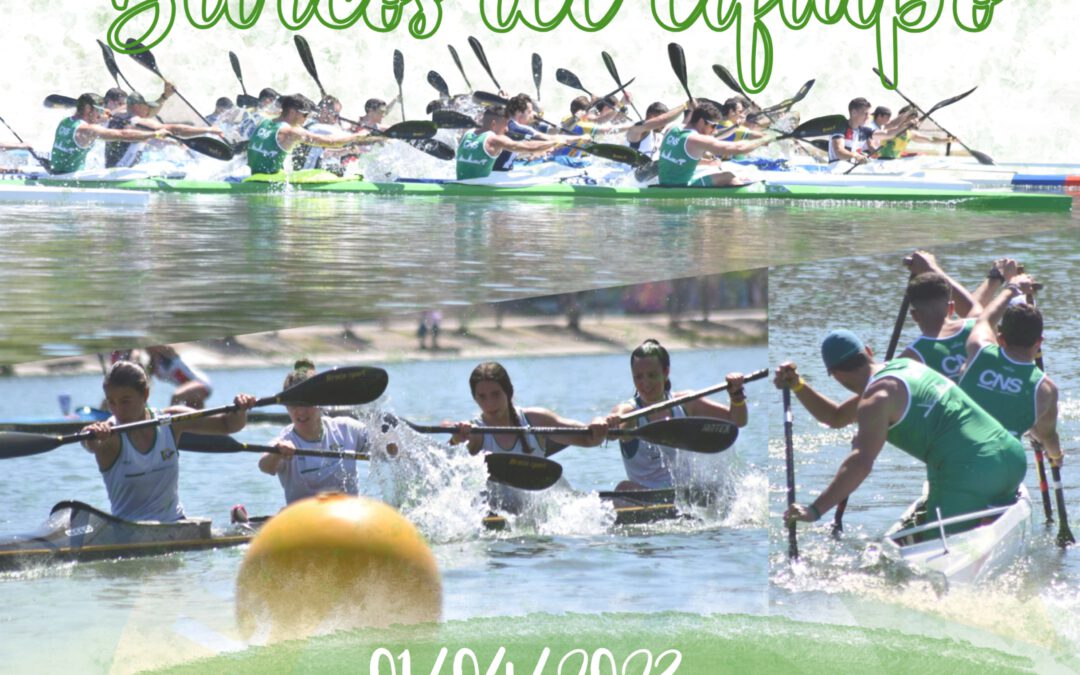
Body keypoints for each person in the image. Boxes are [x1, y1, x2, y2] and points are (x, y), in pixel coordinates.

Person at [781, 330, 1026, 533]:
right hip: (1012, 456)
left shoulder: (875, 401)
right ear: (868, 351)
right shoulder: (907, 365)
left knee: (928, 551)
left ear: (834, 375)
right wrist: (798, 385)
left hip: (970, 473)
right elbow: (835, 417)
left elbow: (861, 463)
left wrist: (815, 510)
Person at [80, 360, 255, 522]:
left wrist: (240, 409)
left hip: (176, 524)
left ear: (145, 394)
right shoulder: (110, 434)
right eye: (111, 402)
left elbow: (228, 425)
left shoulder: (170, 421)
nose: (117, 410)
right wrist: (89, 433)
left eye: (125, 401)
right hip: (128, 531)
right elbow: (91, 445)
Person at [447, 362, 605, 512]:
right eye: (482, 396)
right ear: (475, 398)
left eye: (495, 394)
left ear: (509, 392)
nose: (490, 403)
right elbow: (446, 464)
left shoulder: (536, 419)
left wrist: (597, 424)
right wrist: (456, 440)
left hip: (538, 506)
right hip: (496, 508)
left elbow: (589, 439)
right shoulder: (474, 432)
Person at [594, 339, 748, 490]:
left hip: (685, 494)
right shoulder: (629, 411)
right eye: (638, 377)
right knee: (623, 488)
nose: (645, 383)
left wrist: (736, 395)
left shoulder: (687, 402)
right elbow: (614, 421)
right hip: (645, 495)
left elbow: (737, 420)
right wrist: (605, 424)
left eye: (652, 375)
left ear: (666, 372)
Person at [958, 275, 1062, 465]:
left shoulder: (979, 352)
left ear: (1000, 338)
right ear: (1039, 342)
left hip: (954, 455)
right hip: (1001, 466)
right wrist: (1056, 456)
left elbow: (984, 321)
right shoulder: (1046, 389)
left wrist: (1012, 288)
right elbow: (1047, 436)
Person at [258, 360, 372, 504]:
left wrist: (391, 447)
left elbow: (383, 446)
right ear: (286, 407)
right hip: (308, 521)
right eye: (293, 404)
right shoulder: (285, 441)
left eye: (306, 403)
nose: (300, 411)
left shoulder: (347, 429)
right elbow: (264, 466)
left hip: (348, 517)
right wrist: (276, 453)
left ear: (321, 402)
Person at [896, 251, 983, 382]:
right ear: (952, 308)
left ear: (914, 316)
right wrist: (931, 268)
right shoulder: (978, 327)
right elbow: (972, 306)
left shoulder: (910, 357)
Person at [246, 94, 375, 175]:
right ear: (292, 112)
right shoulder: (292, 132)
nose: (306, 119)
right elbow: (330, 142)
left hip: (253, 175)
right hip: (272, 181)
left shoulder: (263, 122)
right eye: (305, 115)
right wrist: (359, 135)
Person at [657, 101, 772, 187]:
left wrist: (707, 162)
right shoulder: (697, 140)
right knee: (728, 176)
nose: (715, 130)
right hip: (682, 187)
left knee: (711, 170)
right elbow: (738, 148)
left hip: (664, 182)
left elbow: (678, 156)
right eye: (713, 126)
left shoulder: (671, 128)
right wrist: (765, 139)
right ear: (701, 122)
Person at [49, 93, 166, 174]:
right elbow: (122, 135)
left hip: (56, 172)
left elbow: (95, 118)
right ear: (88, 109)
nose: (100, 114)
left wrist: (107, 114)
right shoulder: (87, 130)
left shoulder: (65, 122)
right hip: (70, 178)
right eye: (98, 110)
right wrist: (154, 134)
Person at [105, 91, 224, 168]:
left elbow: (152, 139)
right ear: (137, 106)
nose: (149, 111)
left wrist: (174, 143)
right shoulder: (135, 120)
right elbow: (173, 129)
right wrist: (208, 130)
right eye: (146, 107)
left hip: (113, 169)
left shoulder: (119, 117)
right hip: (120, 174)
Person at [456, 105, 566, 180]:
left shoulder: (466, 134)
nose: (507, 130)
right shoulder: (494, 139)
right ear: (494, 124)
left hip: (460, 183)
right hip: (478, 188)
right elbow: (527, 147)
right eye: (505, 125)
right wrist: (553, 142)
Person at [109, 346, 213, 409]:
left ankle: (172, 426)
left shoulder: (168, 353)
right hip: (188, 389)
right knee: (196, 417)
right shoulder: (153, 365)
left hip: (200, 383)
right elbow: (143, 381)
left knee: (176, 396)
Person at [828, 97, 877, 164]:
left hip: (852, 168)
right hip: (836, 168)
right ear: (854, 112)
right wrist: (856, 155)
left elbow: (886, 134)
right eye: (865, 114)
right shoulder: (839, 127)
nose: (868, 117)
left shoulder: (864, 130)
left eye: (869, 114)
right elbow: (839, 152)